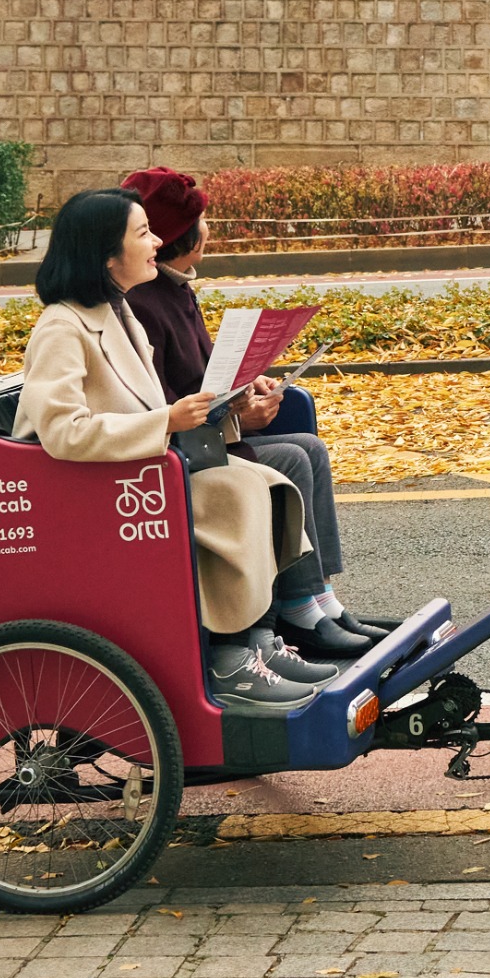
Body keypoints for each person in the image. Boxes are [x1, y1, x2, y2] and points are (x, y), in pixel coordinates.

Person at [16, 187, 317, 712]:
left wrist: (213, 413)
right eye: (142, 234)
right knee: (242, 487)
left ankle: (253, 642)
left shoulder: (117, 313)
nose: (157, 241)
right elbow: (63, 431)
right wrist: (168, 421)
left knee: (262, 480)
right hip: (99, 495)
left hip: (135, 476)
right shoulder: (61, 328)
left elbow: (150, 412)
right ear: (106, 256)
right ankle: (231, 655)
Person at [116, 165, 380, 679]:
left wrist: (246, 389)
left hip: (208, 434)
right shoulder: (146, 302)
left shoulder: (173, 290)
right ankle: (300, 607)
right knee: (292, 458)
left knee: (311, 448)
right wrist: (234, 412)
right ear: (185, 237)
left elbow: (206, 374)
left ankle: (321, 593)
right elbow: (164, 401)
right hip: (187, 453)